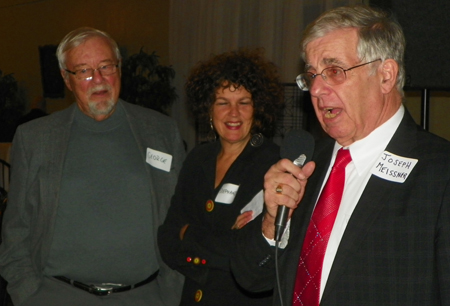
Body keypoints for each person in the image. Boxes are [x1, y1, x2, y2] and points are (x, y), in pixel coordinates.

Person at [231, 5, 450, 306]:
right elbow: (250, 278)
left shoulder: (440, 174)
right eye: (311, 76)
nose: (317, 89)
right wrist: (271, 221)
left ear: (386, 75)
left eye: (334, 71)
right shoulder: (305, 164)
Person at [0, 27, 185, 306]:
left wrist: (171, 292)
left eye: (106, 66)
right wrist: (28, 294)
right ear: (67, 78)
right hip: (57, 296)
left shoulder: (161, 131)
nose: (98, 79)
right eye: (84, 70)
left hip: (146, 297)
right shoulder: (35, 139)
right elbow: (15, 228)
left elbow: (183, 215)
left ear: (119, 68)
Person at [158, 49, 284, 305]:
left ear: (258, 108)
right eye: (223, 102)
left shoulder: (273, 165)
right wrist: (221, 244)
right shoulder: (197, 159)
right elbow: (167, 239)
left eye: (243, 102)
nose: (233, 113)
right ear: (208, 108)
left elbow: (248, 257)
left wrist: (189, 235)